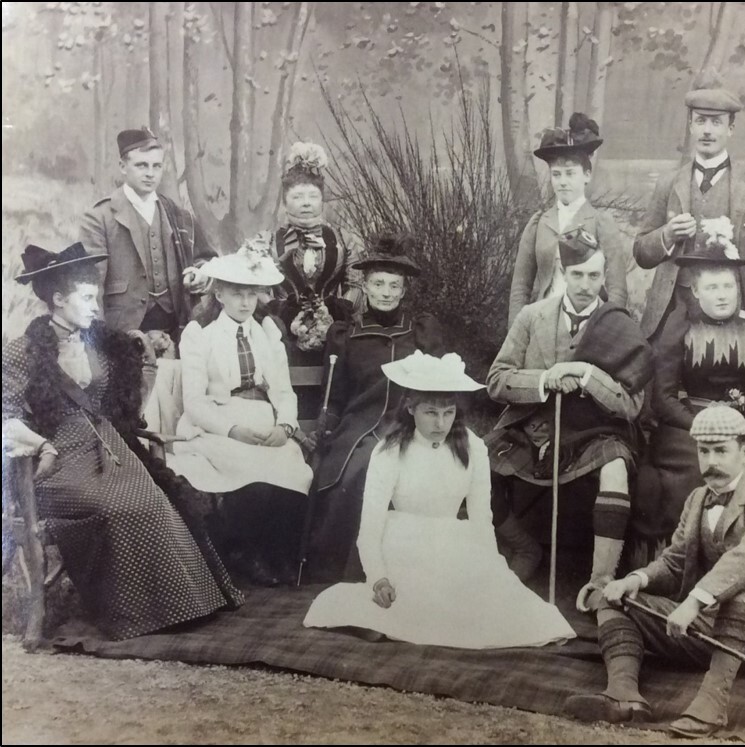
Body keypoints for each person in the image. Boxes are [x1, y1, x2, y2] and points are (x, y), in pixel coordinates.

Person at [2, 242, 243, 640]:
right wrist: (41, 445)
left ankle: (181, 605)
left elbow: (127, 391)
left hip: (111, 448)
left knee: (152, 500)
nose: (95, 307)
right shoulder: (20, 353)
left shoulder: (101, 343)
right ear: (58, 300)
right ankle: (133, 614)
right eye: (86, 298)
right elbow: (6, 416)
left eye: (96, 297)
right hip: (56, 460)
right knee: (114, 507)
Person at [563, 405, 745, 737]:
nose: (711, 461)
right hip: (709, 626)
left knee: (743, 584)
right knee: (612, 596)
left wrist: (694, 601)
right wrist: (636, 579)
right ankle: (623, 694)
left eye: (721, 451)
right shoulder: (698, 498)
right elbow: (674, 561)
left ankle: (713, 705)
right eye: (704, 451)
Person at [304, 352, 576, 649]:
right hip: (403, 545)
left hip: (453, 543)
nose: (440, 423)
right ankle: (382, 615)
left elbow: (481, 519)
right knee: (420, 607)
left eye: (448, 412)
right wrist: (379, 578)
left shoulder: (473, 447)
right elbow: (370, 525)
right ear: (411, 408)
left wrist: (490, 569)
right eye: (431, 413)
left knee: (497, 610)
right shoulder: (389, 450)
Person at [486, 229, 652, 606]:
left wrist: (587, 374)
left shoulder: (620, 325)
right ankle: (524, 547)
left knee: (616, 467)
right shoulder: (532, 316)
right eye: (577, 275)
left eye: (594, 276)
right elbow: (496, 380)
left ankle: (600, 581)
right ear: (563, 271)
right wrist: (544, 379)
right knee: (476, 461)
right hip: (532, 426)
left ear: (604, 276)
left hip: (594, 431)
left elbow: (631, 405)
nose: (585, 285)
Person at [630, 230, 745, 565]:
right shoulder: (680, 324)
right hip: (688, 430)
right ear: (696, 291)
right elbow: (663, 397)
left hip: (741, 430)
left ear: (739, 288)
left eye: (728, 286)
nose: (722, 295)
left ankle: (737, 564)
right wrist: (700, 426)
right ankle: (678, 565)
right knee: (684, 475)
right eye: (712, 287)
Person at [169, 239, 313, 586]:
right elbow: (194, 401)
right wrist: (232, 429)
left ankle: (278, 552)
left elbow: (283, 391)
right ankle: (246, 553)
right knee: (252, 471)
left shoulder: (267, 333)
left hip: (264, 420)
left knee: (292, 466)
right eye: (237, 294)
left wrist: (285, 426)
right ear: (219, 294)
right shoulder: (200, 335)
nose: (246, 302)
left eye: (251, 294)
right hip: (217, 424)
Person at [303, 235, 444, 582]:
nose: (386, 292)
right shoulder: (346, 334)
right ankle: (347, 568)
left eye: (394, 286)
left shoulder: (419, 332)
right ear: (364, 286)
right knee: (357, 468)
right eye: (378, 284)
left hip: (409, 424)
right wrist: (325, 423)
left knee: (387, 464)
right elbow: (334, 396)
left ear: (404, 290)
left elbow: (440, 387)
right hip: (359, 426)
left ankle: (395, 566)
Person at [634, 70, 745, 341]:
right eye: (700, 121)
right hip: (674, 319)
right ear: (690, 126)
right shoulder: (668, 184)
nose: (707, 130)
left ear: (731, 128)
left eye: (716, 122)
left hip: (738, 321)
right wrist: (667, 235)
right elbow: (641, 253)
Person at [79, 128, 215, 340]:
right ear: (123, 166)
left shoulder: (179, 215)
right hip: (122, 333)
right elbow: (90, 286)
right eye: (141, 165)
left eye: (156, 166)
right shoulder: (99, 218)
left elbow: (206, 260)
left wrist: (201, 274)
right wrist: (101, 341)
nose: (150, 173)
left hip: (176, 331)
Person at [507, 113, 628, 326]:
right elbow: (520, 288)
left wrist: (607, 332)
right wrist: (517, 335)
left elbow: (617, 289)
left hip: (588, 326)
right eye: (557, 174)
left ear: (586, 175)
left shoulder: (601, 223)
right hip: (543, 323)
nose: (563, 182)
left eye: (570, 174)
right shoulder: (539, 224)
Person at [264, 141, 365, 363]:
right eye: (297, 197)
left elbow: (355, 284)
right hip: (282, 333)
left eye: (313, 196)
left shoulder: (344, 240)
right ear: (285, 202)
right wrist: (282, 314)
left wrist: (334, 316)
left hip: (334, 331)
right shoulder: (268, 242)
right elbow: (259, 290)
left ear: (322, 200)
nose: (306, 203)